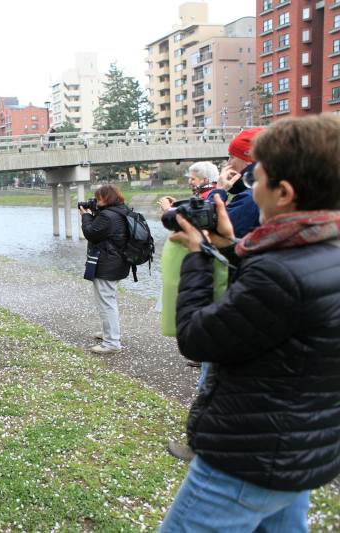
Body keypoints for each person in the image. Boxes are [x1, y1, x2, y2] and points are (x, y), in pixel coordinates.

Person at [160, 115, 340, 531]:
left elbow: (197, 337)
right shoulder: (321, 250)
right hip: (301, 451)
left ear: (284, 192)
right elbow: (278, 304)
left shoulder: (281, 272)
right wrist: (229, 248)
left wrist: (198, 257)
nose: (250, 185)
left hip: (247, 459)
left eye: (258, 178)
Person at [79, 184, 130, 354]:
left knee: (106, 303)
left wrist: (85, 216)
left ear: (105, 198)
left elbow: (91, 233)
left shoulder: (108, 217)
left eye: (98, 197)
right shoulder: (121, 211)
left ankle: (112, 342)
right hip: (117, 262)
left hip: (107, 264)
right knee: (108, 300)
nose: (95, 200)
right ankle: (108, 334)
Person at [206, 128, 263, 239]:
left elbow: (209, 231)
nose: (228, 163)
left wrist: (219, 191)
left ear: (248, 160)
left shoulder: (250, 199)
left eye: (232, 157)